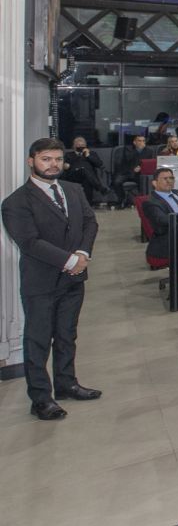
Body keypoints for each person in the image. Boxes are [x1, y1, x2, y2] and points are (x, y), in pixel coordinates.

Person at [1, 138, 101, 420]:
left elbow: (90, 222)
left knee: (68, 335)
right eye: (46, 159)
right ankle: (41, 398)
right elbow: (29, 242)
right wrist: (70, 261)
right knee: (38, 339)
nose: (53, 164)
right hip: (41, 282)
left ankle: (67, 384)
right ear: (31, 161)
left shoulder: (73, 189)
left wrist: (82, 252)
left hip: (74, 278)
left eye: (57, 159)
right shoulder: (16, 202)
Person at [141, 167, 178, 257]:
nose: (169, 181)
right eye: (165, 179)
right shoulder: (150, 202)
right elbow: (162, 220)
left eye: (171, 178)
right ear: (155, 183)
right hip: (172, 238)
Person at [62, 137, 111, 206]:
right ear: (74, 146)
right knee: (83, 169)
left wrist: (88, 155)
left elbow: (99, 164)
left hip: (88, 177)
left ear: (85, 146)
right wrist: (65, 166)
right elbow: (63, 166)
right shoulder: (69, 155)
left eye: (82, 145)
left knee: (87, 180)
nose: (80, 147)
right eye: (78, 145)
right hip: (74, 175)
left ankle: (88, 205)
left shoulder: (91, 153)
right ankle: (100, 188)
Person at [113, 135, 149, 208]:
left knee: (145, 181)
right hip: (127, 172)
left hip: (140, 174)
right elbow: (127, 159)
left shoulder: (149, 151)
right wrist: (138, 150)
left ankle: (142, 201)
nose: (142, 142)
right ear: (134, 142)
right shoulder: (128, 149)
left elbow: (150, 163)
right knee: (117, 182)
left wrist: (141, 167)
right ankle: (121, 200)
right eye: (139, 141)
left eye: (143, 141)